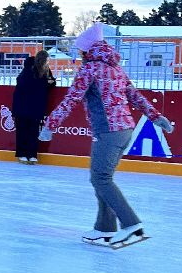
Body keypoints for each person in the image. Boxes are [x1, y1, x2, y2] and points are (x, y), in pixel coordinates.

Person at [40, 22, 174, 247]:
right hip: (125, 130)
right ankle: (104, 228)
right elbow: (134, 95)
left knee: (100, 179)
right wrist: (155, 116)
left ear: (87, 49)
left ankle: (132, 225)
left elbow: (72, 98)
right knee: (102, 180)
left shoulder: (89, 69)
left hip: (108, 131)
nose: (79, 54)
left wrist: (49, 125)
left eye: (80, 50)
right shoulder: (115, 68)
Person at [11, 50, 56, 163]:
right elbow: (22, 85)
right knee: (26, 130)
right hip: (25, 105)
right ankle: (25, 154)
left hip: (33, 105)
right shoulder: (28, 70)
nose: (48, 62)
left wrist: (48, 83)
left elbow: (51, 83)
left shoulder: (45, 71)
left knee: (32, 130)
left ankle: (30, 154)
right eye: (47, 60)